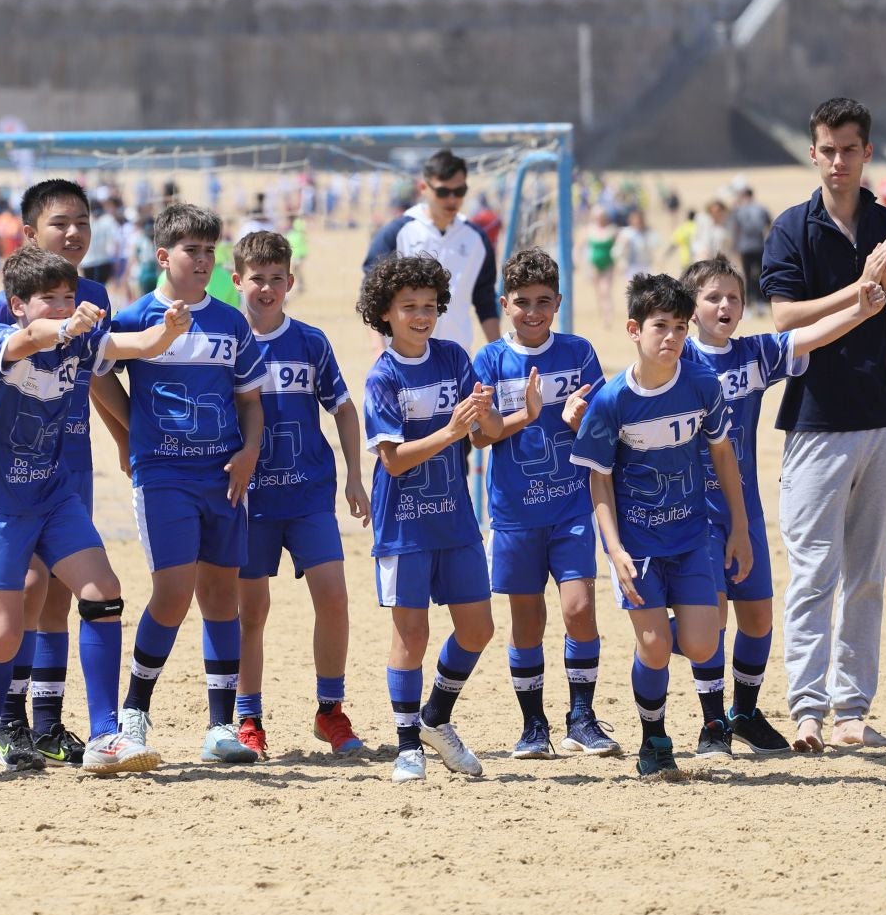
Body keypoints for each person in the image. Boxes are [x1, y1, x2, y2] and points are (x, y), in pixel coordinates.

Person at [0, 247, 188, 779]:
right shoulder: (0, 341)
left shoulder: (81, 339)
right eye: (50, 299)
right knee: (5, 634)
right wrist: (63, 327)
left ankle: (105, 735)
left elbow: (137, 343)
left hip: (56, 496)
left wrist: (169, 330)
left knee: (103, 591)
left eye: (69, 297)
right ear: (17, 304)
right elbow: (35, 339)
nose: (64, 306)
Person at [759, 97, 886, 751]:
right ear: (814, 153)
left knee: (868, 576)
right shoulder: (791, 229)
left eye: (849, 149)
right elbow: (784, 319)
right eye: (827, 149)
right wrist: (860, 291)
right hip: (813, 422)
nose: (837, 161)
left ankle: (852, 710)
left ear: (866, 154)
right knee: (812, 571)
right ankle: (806, 710)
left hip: (881, 420)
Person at [680, 253, 884, 754]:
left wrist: (859, 310)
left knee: (758, 618)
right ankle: (713, 727)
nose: (725, 305)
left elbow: (807, 337)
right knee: (716, 617)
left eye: (734, 297)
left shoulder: (751, 355)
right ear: (691, 308)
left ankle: (745, 714)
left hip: (744, 508)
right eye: (713, 297)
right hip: (692, 512)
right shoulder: (676, 360)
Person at [0, 180, 133, 771]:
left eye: (82, 223)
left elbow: (94, 375)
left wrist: (125, 437)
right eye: (59, 223)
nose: (72, 233)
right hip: (11, 476)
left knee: (64, 594)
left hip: (68, 464)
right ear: (30, 234)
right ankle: (10, 723)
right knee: (30, 588)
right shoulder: (10, 305)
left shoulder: (91, 294)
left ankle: (47, 722)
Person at [570, 273, 750, 781]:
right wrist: (615, 550)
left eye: (679, 327)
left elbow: (722, 454)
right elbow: (598, 483)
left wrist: (737, 527)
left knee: (702, 644)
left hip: (692, 538)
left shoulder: (701, 386)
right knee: (653, 647)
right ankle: (654, 738)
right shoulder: (611, 402)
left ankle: (651, 632)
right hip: (639, 547)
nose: (671, 337)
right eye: (659, 327)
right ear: (634, 329)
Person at [106, 204, 266, 766]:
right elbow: (99, 378)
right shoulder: (134, 319)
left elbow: (249, 400)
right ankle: (135, 714)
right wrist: (129, 432)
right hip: (163, 475)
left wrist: (249, 452)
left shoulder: (230, 322)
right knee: (172, 593)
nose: (201, 260)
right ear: (162, 256)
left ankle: (221, 724)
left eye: (208, 251)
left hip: (222, 476)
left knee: (224, 598)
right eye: (190, 250)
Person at [471, 247, 617, 759]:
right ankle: (534, 725)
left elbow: (604, 426)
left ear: (558, 302)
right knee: (527, 618)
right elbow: (480, 436)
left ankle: (582, 716)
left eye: (544, 302)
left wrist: (583, 418)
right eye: (523, 302)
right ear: (505, 303)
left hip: (571, 506)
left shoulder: (578, 352)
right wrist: (527, 416)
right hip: (513, 512)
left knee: (579, 609)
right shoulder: (490, 359)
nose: (533, 312)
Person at [229, 231, 369, 759]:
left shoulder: (310, 342)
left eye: (276, 279)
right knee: (252, 611)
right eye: (256, 278)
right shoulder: (226, 341)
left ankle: (329, 711)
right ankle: (248, 717)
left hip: (308, 493)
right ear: (238, 279)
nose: (266, 288)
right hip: (248, 500)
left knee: (333, 594)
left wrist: (356, 476)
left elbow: (344, 409)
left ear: (290, 281)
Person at [358, 254, 498, 783]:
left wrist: (508, 414)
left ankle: (436, 717)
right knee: (411, 635)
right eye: (408, 307)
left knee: (478, 627)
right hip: (405, 523)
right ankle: (406, 745)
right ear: (386, 314)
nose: (421, 315)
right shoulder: (383, 377)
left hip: (454, 517)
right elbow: (392, 460)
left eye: (429, 305)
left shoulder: (456, 358)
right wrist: (452, 431)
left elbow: (481, 433)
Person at [362, 149, 500, 350]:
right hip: (405, 360)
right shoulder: (397, 233)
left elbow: (485, 301)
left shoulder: (477, 239)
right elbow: (371, 296)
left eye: (459, 191)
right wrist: (378, 350)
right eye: (443, 192)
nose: (452, 199)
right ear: (424, 187)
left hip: (456, 358)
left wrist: (498, 353)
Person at [731, 187, 772, 302]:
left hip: (745, 247)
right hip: (760, 246)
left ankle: (749, 298)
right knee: (761, 273)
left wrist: (735, 246)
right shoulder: (762, 209)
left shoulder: (739, 211)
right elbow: (768, 227)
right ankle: (762, 298)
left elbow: (736, 230)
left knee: (747, 275)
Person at [583, 207, 618, 327]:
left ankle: (607, 318)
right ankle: (602, 313)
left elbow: (619, 246)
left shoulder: (612, 230)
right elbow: (581, 245)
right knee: (598, 291)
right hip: (594, 264)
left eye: (602, 216)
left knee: (605, 290)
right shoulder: (590, 230)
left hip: (608, 263)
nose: (600, 219)